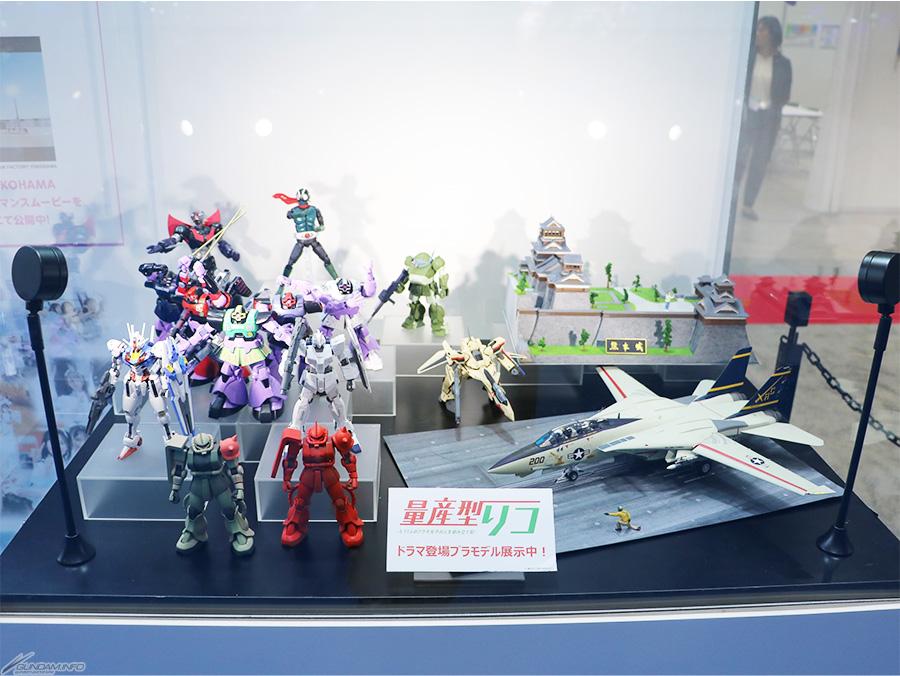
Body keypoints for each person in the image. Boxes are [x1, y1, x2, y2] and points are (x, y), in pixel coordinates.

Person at [734, 16, 792, 220]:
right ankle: (731, 201)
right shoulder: (748, 56)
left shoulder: (783, 64)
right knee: (738, 161)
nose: (758, 33)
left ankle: (748, 205)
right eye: (757, 30)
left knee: (759, 163)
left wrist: (769, 107)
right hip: (747, 115)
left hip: (768, 119)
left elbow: (784, 95)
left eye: (762, 30)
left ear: (772, 34)